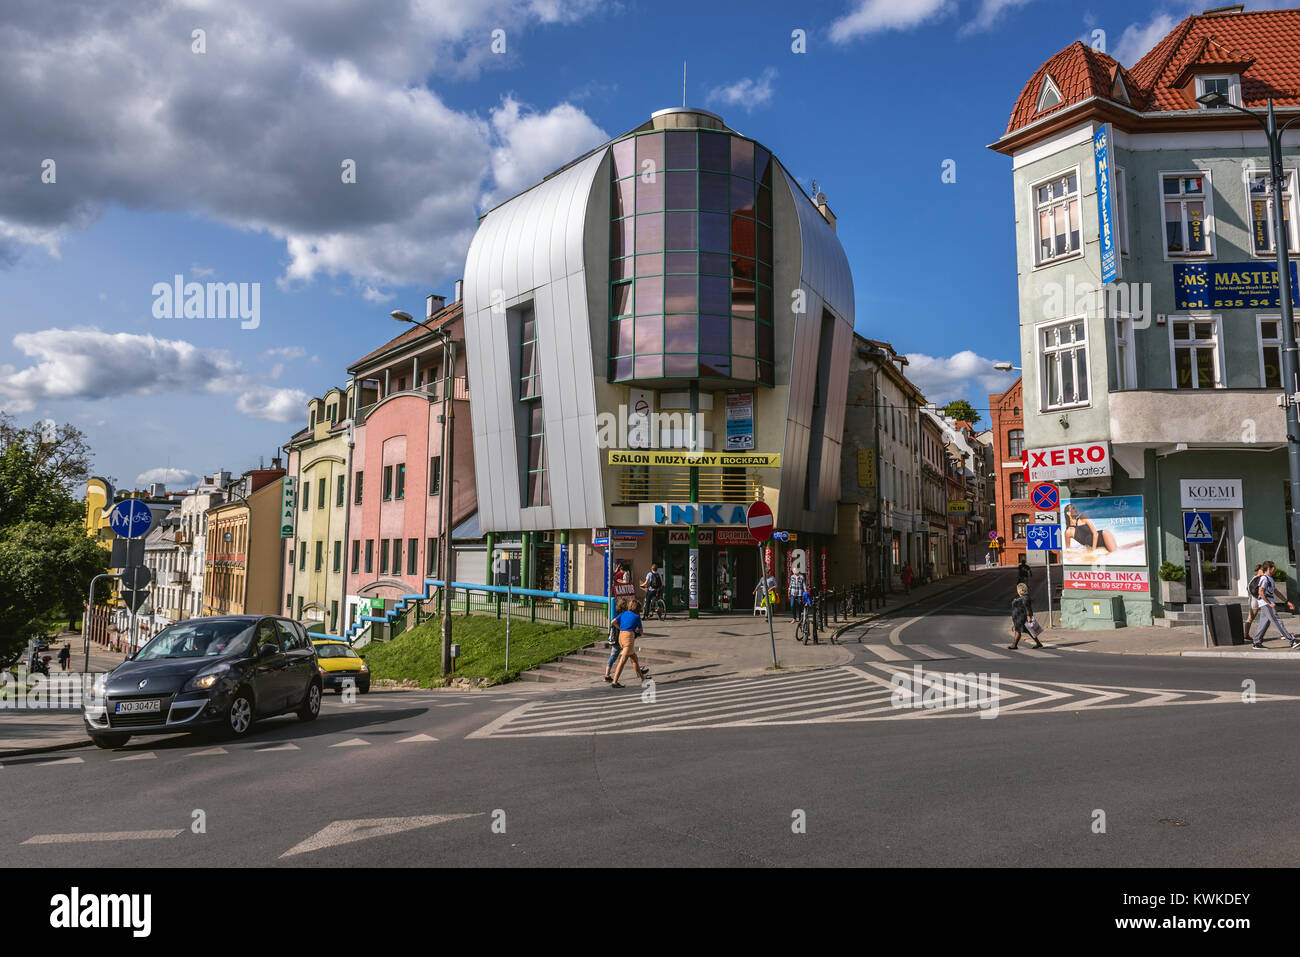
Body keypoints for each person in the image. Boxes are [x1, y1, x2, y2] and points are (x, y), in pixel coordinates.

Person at [1251, 561, 1300, 649]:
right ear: (1269, 569)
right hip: (1266, 603)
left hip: (1267, 603)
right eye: (1274, 568)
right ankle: (1291, 641)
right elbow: (1260, 592)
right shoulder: (1264, 578)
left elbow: (1277, 592)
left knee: (1264, 623)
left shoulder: (1270, 579)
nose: (1275, 570)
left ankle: (1257, 642)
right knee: (1277, 621)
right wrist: (1269, 603)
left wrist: (1287, 602)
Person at [609, 598, 650, 688]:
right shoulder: (636, 617)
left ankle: (643, 679)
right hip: (629, 638)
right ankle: (614, 682)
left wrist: (620, 628)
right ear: (637, 609)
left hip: (621, 637)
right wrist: (637, 632)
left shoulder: (623, 613)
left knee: (634, 659)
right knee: (622, 660)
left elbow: (613, 622)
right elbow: (641, 630)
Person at [1009, 581, 1043, 650]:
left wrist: (1028, 617)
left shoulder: (1025, 598)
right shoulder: (1023, 598)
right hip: (1019, 618)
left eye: (1018, 590)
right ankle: (1038, 643)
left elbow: (1028, 608)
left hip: (1021, 618)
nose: (1017, 591)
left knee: (1018, 631)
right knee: (1029, 631)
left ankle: (1014, 645)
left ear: (1020, 590)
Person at [604, 599, 628, 682]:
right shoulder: (621, 614)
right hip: (618, 638)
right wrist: (621, 628)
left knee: (629, 653)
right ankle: (607, 674)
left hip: (618, 638)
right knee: (614, 656)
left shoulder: (615, 612)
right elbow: (613, 622)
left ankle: (638, 669)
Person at [1245, 563, 1266, 632]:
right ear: (1259, 570)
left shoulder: (1254, 577)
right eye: (1263, 571)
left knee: (1271, 616)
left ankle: (1246, 635)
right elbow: (1252, 590)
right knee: (1250, 618)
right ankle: (1246, 635)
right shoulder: (1258, 578)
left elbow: (1248, 588)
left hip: (1253, 599)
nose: (1264, 572)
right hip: (1255, 600)